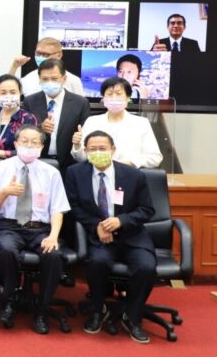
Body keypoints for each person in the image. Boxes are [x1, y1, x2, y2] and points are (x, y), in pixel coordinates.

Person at [64, 130, 156, 344]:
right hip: (100, 237)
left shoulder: (133, 175)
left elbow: (147, 210)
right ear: (86, 151)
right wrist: (96, 225)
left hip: (132, 235)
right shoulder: (75, 172)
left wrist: (121, 221)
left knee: (146, 267)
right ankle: (98, 309)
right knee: (97, 262)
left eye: (103, 148)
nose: (98, 152)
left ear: (113, 150)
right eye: (93, 149)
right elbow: (72, 207)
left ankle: (132, 316)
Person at [0, 125, 70, 334]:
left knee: (53, 255)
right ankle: (8, 300)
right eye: (24, 141)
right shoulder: (0, 168)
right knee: (7, 250)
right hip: (9, 227)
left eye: (34, 142)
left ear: (42, 146)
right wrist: (5, 192)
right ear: (16, 143)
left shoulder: (51, 172)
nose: (29, 145)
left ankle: (42, 309)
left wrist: (53, 236)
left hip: (40, 229)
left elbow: (58, 209)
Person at [71, 77, 162, 168]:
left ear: (128, 97)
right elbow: (82, 158)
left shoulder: (141, 123)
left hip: (129, 173)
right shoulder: (92, 121)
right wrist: (77, 146)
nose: (114, 98)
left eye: (118, 94)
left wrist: (131, 163)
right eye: (109, 94)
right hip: (97, 173)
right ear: (103, 98)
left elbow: (155, 158)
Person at [21, 59, 90, 171]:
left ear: (64, 79)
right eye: (45, 79)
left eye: (54, 79)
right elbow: (23, 130)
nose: (50, 82)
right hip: (37, 161)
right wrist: (40, 128)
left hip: (69, 164)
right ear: (39, 80)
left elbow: (85, 133)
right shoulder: (29, 101)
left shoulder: (80, 103)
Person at [0, 75, 39, 175]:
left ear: (20, 93)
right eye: (3, 93)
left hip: (15, 172)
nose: (8, 96)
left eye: (13, 92)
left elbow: (30, 151)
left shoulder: (28, 119)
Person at [12, 37, 84, 96]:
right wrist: (14, 67)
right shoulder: (29, 78)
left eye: (45, 54)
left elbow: (80, 104)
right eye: (38, 53)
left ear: (59, 55)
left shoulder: (73, 81)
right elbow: (9, 91)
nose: (40, 57)